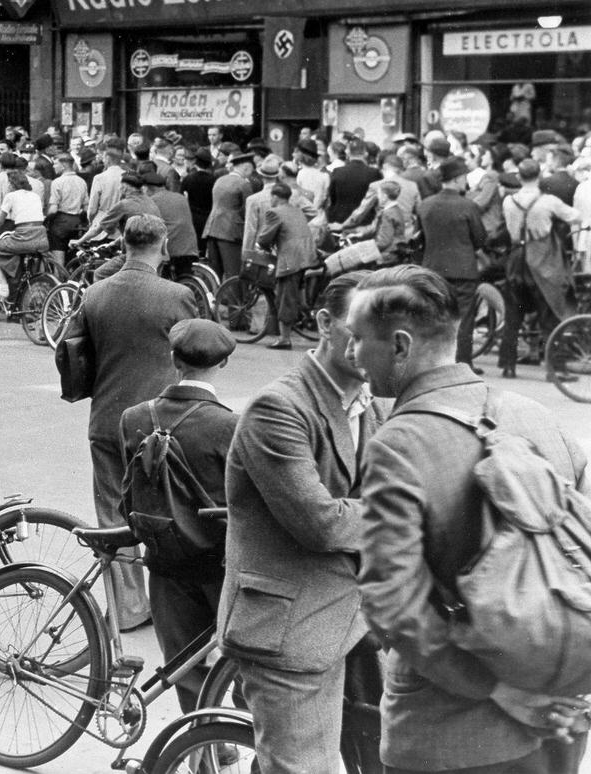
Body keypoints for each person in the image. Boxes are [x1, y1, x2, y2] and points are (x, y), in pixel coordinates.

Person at [347, 265, 590, 774]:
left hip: (452, 737)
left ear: (400, 346)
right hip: (561, 722)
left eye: (357, 339)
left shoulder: (399, 442)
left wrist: (500, 690)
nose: (351, 355)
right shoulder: (531, 411)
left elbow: (392, 604)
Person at [217, 270, 384, 774]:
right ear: (324, 323)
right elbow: (321, 523)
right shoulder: (279, 407)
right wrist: (401, 512)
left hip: (347, 618)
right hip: (290, 632)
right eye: (357, 332)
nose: (367, 347)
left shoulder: (365, 403)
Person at [59, 214, 196, 632]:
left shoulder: (96, 293)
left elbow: (69, 351)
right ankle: (171, 604)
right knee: (167, 510)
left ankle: (129, 605)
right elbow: (196, 351)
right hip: (161, 423)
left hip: (107, 418)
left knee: (113, 513)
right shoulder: (178, 296)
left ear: (123, 243)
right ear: (162, 244)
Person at [119, 318, 236, 711]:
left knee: (185, 668)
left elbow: (128, 493)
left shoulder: (134, 417)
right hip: (217, 565)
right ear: (222, 365)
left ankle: (202, 749)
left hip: (164, 562)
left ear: (173, 358)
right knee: (238, 664)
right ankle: (224, 744)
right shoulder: (229, 425)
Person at [499, 159, 583, 378]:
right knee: (549, 312)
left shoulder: (508, 201)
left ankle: (508, 366)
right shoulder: (548, 202)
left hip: (516, 259)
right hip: (542, 261)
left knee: (513, 316)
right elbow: (576, 216)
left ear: (519, 177)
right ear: (540, 176)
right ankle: (554, 370)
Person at [415, 159, 487, 367]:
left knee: (434, 315)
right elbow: (480, 239)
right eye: (464, 178)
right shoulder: (468, 205)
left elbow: (420, 238)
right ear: (456, 179)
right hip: (463, 270)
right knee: (463, 319)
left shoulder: (425, 205)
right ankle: (462, 363)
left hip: (433, 268)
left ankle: (432, 362)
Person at [257, 182, 318, 350]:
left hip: (290, 260)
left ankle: (284, 338)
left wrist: (262, 245)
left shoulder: (274, 213)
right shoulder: (297, 210)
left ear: (275, 197)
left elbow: (264, 238)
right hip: (306, 256)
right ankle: (304, 312)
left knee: (285, 297)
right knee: (296, 294)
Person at [0, 170, 48, 300]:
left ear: (11, 184)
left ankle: (3, 288)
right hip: (41, 236)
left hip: (24, 237)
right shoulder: (34, 196)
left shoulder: (11, 196)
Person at [202, 151, 252, 279]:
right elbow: (247, 210)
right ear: (246, 167)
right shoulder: (244, 184)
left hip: (212, 228)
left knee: (215, 273)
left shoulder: (220, 180)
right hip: (231, 233)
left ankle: (214, 298)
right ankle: (233, 299)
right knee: (233, 272)